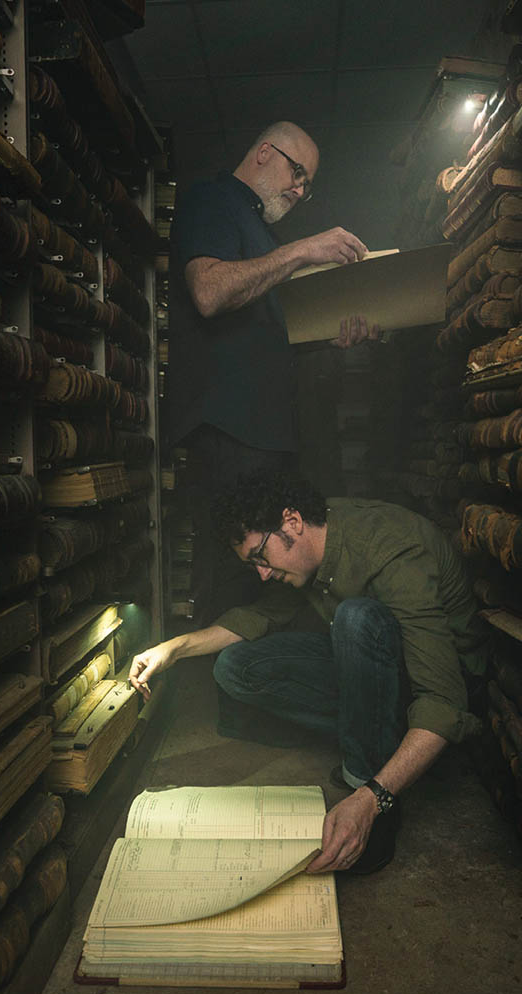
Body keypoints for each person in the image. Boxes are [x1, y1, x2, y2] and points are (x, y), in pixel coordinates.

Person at [129, 471, 488, 874]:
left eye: (260, 557)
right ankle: (371, 736)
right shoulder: (308, 543)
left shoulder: (390, 548)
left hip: (439, 682)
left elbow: (443, 700)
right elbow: (259, 617)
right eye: (253, 565)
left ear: (292, 523)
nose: (262, 573)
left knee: (355, 619)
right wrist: (172, 649)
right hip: (377, 671)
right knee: (236, 667)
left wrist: (371, 798)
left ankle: (369, 782)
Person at [163, 121, 379, 630]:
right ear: (264, 152)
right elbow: (210, 292)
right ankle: (222, 704)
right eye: (296, 172)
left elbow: (261, 341)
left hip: (264, 439)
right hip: (229, 435)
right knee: (232, 580)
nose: (300, 191)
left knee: (269, 585)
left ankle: (256, 696)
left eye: (308, 184)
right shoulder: (213, 200)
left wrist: (332, 337)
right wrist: (304, 250)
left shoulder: (261, 231)